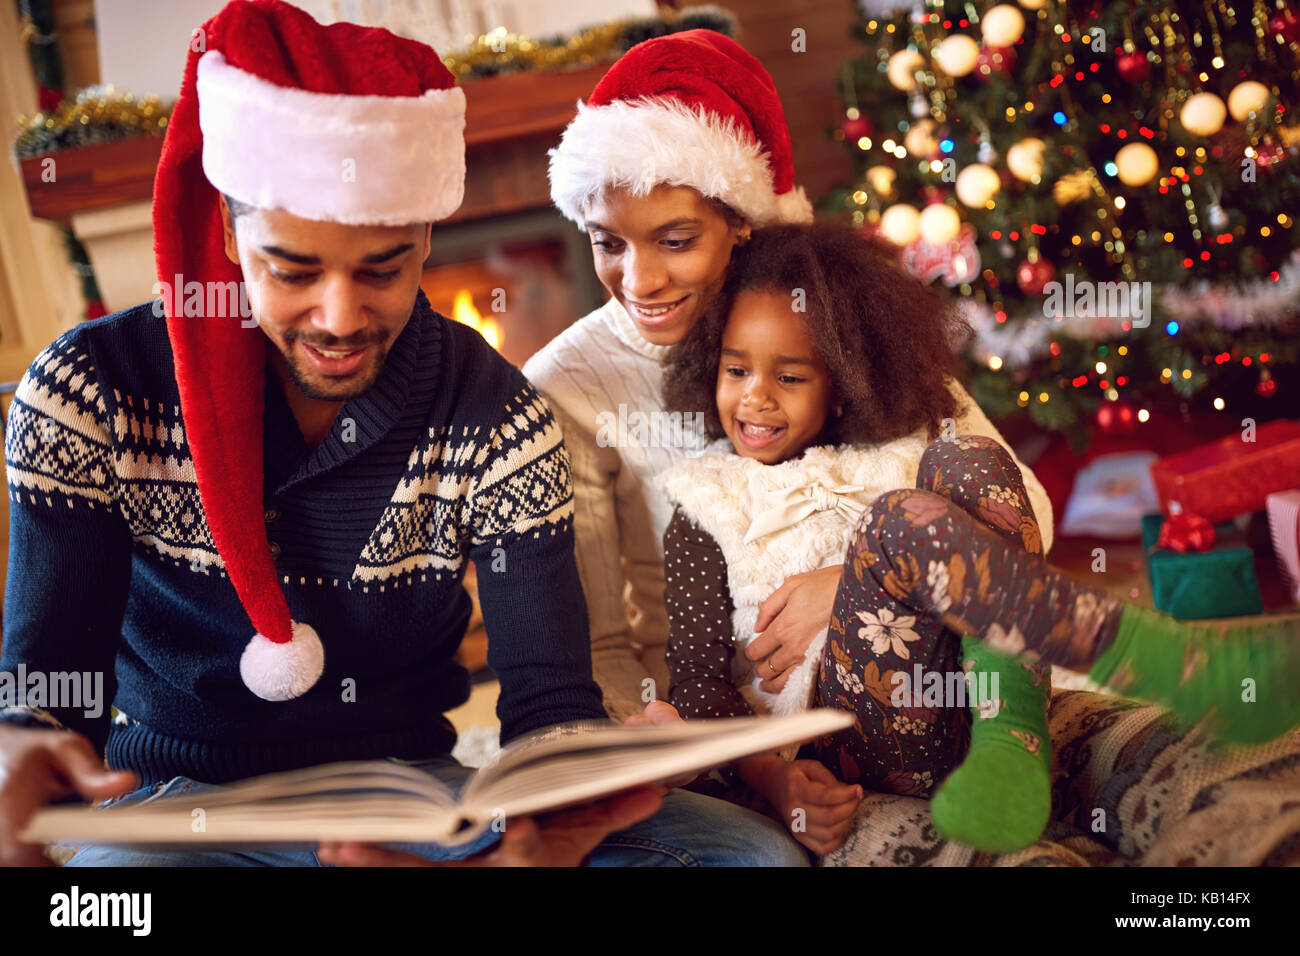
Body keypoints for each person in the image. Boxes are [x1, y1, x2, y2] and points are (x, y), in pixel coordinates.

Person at [0, 0, 806, 868]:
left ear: (426, 236)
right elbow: (49, 686)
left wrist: (564, 800)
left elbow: (548, 701)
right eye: (293, 269)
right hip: (180, 812)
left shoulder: (496, 410)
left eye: (380, 268)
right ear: (232, 236)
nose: (339, 317)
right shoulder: (87, 390)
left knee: (748, 860)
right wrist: (21, 747)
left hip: (418, 793)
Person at [523, 29, 1056, 726]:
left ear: (740, 222)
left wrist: (862, 589)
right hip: (727, 724)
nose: (639, 280)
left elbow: (1029, 515)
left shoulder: (826, 314)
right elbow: (600, 647)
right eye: (607, 242)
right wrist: (682, 757)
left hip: (936, 670)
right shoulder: (565, 384)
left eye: (676, 241)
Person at [657, 224, 1059, 854]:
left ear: (842, 384)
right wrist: (776, 779)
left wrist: (852, 578)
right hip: (850, 737)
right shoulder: (705, 504)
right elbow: (697, 683)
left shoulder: (902, 452)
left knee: (971, 460)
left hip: (965, 694)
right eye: (736, 370)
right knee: (903, 516)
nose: (754, 398)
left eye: (789, 378)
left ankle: (1012, 740)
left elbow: (1011, 532)